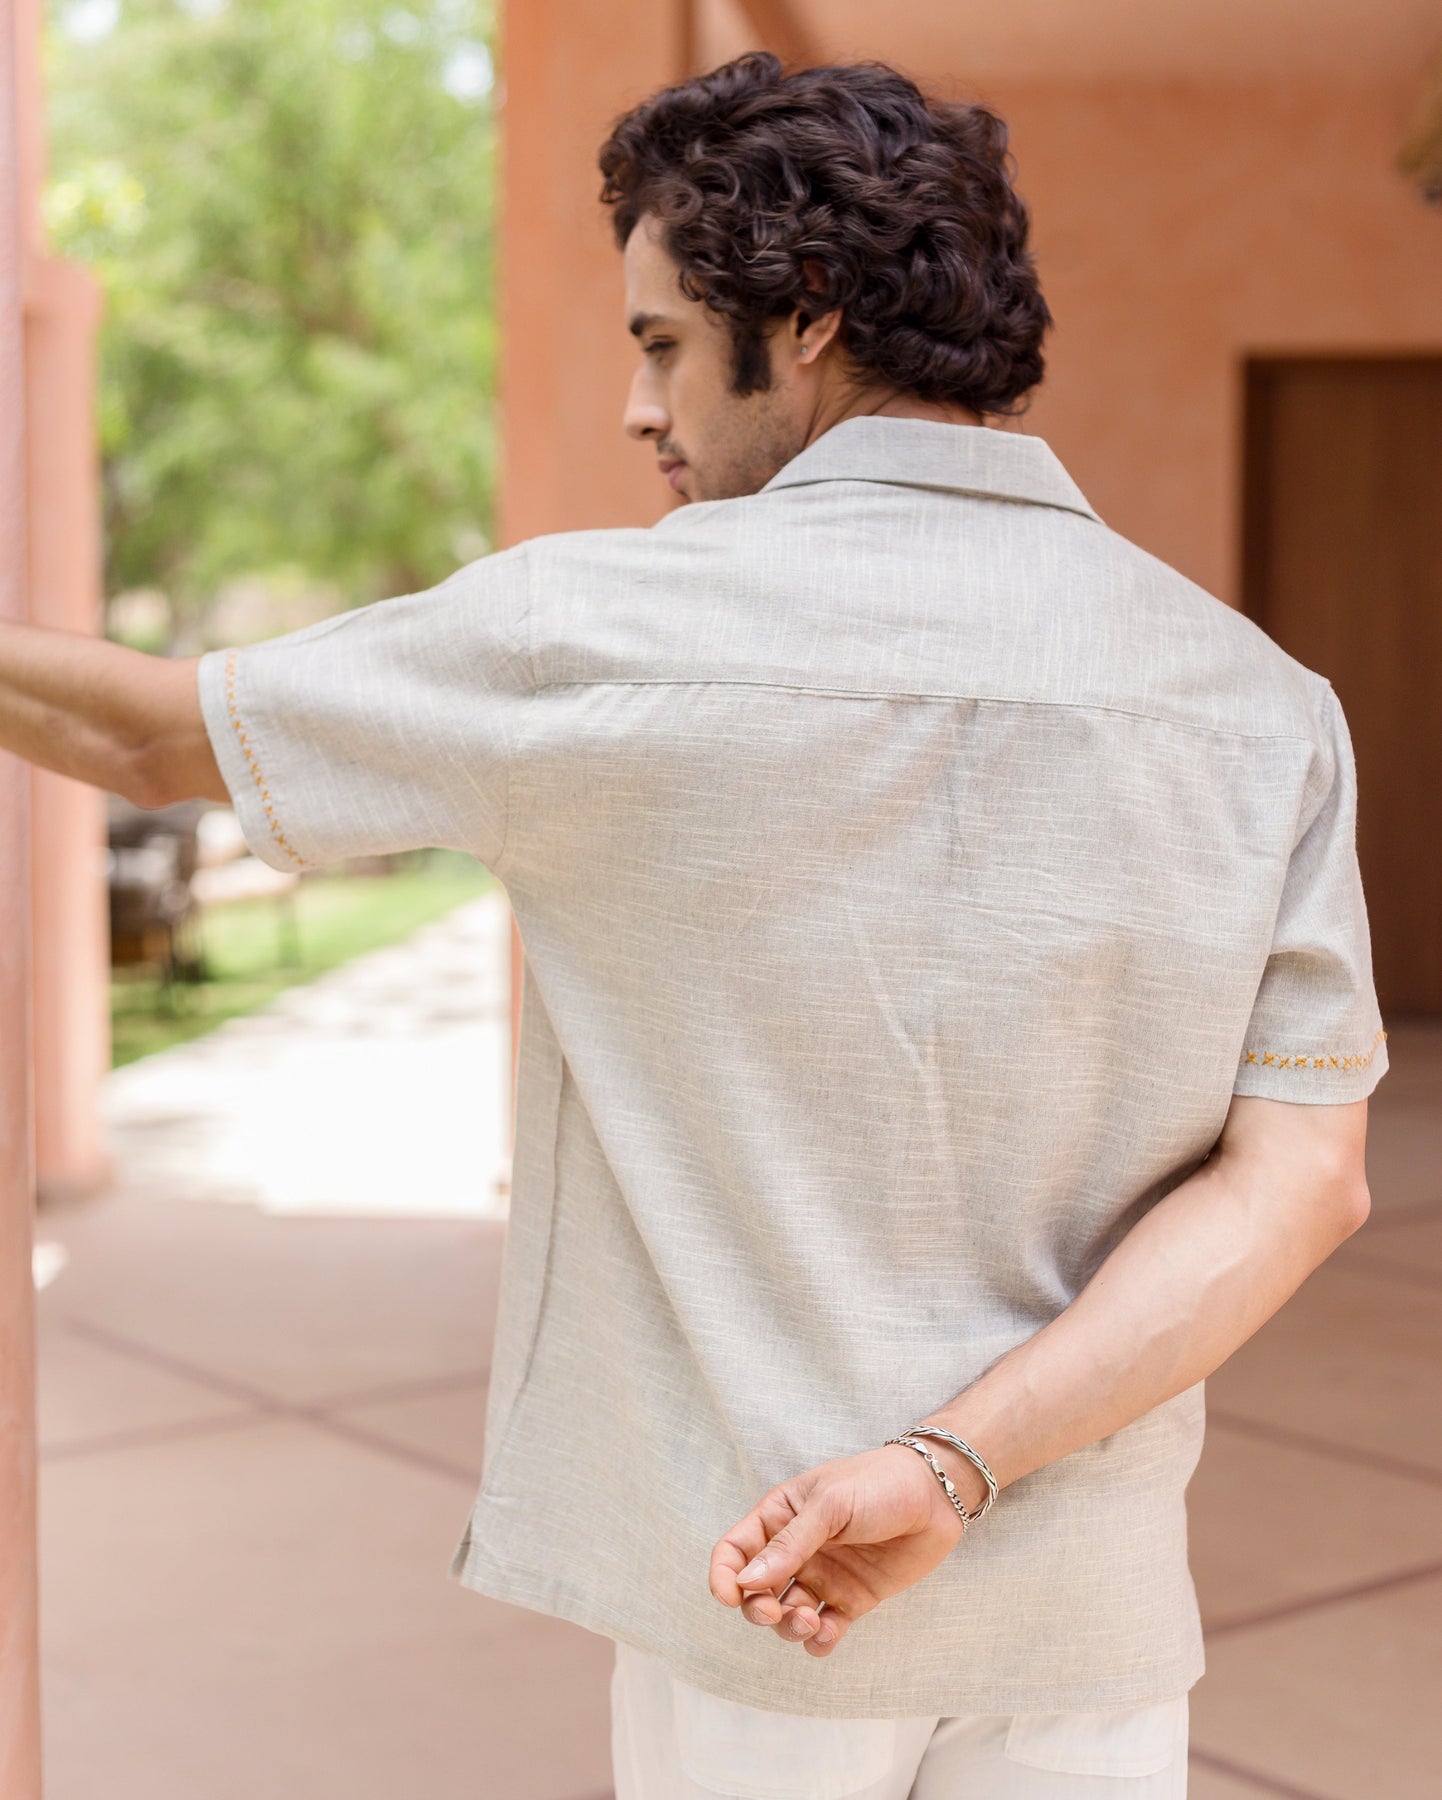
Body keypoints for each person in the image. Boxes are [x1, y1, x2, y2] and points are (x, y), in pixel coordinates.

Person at [2, 52, 1385, 1800]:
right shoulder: (1261, 704)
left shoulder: (600, 632)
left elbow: (150, 736)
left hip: (762, 1590)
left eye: (659, 343)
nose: (635, 408)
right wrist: (950, 1463)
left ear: (801, 318)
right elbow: (1301, 1182)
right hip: (1082, 1611)